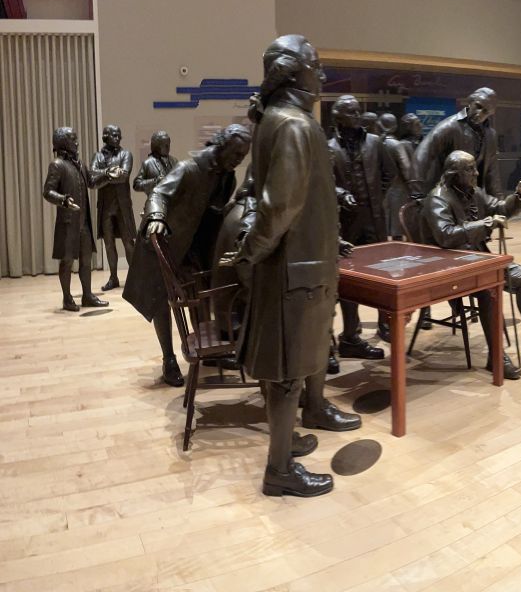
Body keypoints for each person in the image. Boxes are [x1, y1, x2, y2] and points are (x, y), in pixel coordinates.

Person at [227, 35, 352, 498]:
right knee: (285, 372)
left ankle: (286, 445)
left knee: (290, 365)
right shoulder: (295, 125)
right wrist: (250, 254)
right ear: (293, 71)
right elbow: (279, 207)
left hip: (296, 266)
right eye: (315, 67)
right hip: (293, 271)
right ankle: (278, 469)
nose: (320, 75)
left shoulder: (277, 121)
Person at [123, 124, 251, 388]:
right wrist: (156, 216)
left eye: (242, 156)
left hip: (194, 244)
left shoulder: (227, 178)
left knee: (199, 294)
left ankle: (206, 351)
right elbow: (159, 193)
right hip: (166, 239)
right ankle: (169, 359)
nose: (238, 160)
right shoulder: (188, 168)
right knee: (161, 300)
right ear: (221, 144)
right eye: (235, 153)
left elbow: (215, 213)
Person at [424, 150, 521, 379]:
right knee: (490, 288)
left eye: (474, 167)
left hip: (477, 259)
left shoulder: (473, 192)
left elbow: (500, 209)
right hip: (449, 265)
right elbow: (445, 236)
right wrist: (484, 224)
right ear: (453, 173)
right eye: (469, 169)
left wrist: (519, 198)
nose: (476, 173)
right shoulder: (438, 198)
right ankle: (495, 355)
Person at [326, 95, 390, 357]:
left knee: (382, 275)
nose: (357, 116)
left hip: (374, 220)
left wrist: (375, 197)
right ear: (338, 117)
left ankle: (386, 322)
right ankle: (350, 336)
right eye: (351, 113)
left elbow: (388, 174)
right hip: (344, 223)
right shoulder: (327, 147)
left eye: (358, 112)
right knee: (345, 281)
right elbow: (323, 182)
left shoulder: (375, 143)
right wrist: (340, 193)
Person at [43, 127, 104, 311]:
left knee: (86, 260)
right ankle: (67, 298)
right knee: (67, 260)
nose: (77, 142)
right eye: (72, 139)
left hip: (83, 222)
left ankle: (87, 295)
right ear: (62, 142)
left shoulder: (79, 164)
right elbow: (47, 191)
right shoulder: (57, 165)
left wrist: (107, 175)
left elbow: (92, 182)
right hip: (68, 222)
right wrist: (63, 200)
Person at [416, 88, 504, 200]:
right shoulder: (449, 127)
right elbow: (422, 155)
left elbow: (493, 174)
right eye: (478, 106)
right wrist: (417, 193)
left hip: (472, 198)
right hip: (446, 197)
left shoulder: (490, 136)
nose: (479, 113)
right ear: (470, 102)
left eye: (485, 111)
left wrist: (500, 205)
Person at [89, 124, 136, 291]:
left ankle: (134, 278)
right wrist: (110, 173)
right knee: (109, 244)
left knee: (128, 243)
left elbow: (123, 177)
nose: (118, 138)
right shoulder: (98, 156)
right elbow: (91, 179)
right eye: (114, 135)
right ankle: (113, 277)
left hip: (123, 207)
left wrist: (103, 175)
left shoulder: (126, 154)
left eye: (119, 135)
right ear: (105, 136)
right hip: (106, 207)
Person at [381, 112, 423, 242]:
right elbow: (407, 170)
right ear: (408, 127)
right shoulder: (402, 145)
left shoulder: (417, 143)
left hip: (405, 189)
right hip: (402, 190)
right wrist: (417, 190)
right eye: (417, 124)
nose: (420, 126)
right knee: (399, 227)